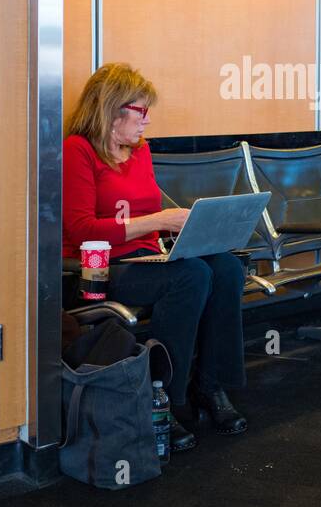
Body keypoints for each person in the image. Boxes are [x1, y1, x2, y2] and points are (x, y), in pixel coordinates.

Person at [63, 62, 248, 453]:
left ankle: (210, 386)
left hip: (148, 257)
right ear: (112, 110)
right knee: (192, 276)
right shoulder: (78, 151)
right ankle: (165, 397)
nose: (147, 121)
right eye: (141, 110)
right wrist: (159, 219)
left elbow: (149, 214)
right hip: (104, 267)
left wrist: (189, 226)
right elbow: (82, 230)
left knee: (228, 268)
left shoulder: (139, 151)